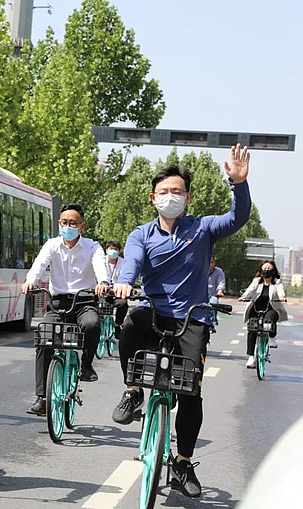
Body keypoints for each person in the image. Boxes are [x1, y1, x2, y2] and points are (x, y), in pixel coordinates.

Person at [112, 144, 251, 499]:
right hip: (153, 311)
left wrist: (238, 184)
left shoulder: (202, 228)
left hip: (192, 317)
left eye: (177, 191)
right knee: (130, 324)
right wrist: (125, 282)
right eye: (164, 192)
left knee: (190, 392)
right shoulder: (141, 234)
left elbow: (237, 218)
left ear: (188, 197)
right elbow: (132, 261)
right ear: (152, 197)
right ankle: (133, 392)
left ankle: (183, 462)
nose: (170, 197)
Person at [22, 204, 109, 416]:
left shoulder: (92, 247)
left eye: (72, 223)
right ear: (59, 223)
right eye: (64, 222)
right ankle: (42, 397)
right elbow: (39, 265)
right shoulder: (52, 245)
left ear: (82, 226)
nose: (67, 226)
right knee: (44, 336)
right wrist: (30, 281)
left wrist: (103, 282)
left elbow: (100, 265)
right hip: (57, 303)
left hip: (84, 302)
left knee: (91, 324)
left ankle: (86, 365)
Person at [239, 260, 288, 366]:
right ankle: (251, 357)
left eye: (269, 268)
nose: (266, 270)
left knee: (268, 321)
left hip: (271, 308)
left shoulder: (277, 282)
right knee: (252, 329)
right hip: (255, 308)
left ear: (273, 271)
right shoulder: (256, 281)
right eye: (264, 268)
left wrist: (282, 297)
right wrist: (244, 297)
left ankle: (272, 337)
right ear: (261, 270)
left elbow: (280, 291)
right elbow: (250, 290)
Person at [104, 241, 128, 331]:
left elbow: (125, 277)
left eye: (115, 249)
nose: (113, 251)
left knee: (123, 303)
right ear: (106, 250)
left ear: (119, 251)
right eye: (111, 249)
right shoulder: (101, 260)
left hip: (117, 291)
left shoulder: (123, 262)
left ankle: (117, 324)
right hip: (103, 291)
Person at [207, 256, 226, 331]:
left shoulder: (219, 271)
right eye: (208, 262)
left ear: (214, 263)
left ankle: (212, 324)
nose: (210, 264)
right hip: (201, 295)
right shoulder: (201, 270)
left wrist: (220, 291)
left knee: (214, 303)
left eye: (211, 262)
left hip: (213, 295)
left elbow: (221, 282)